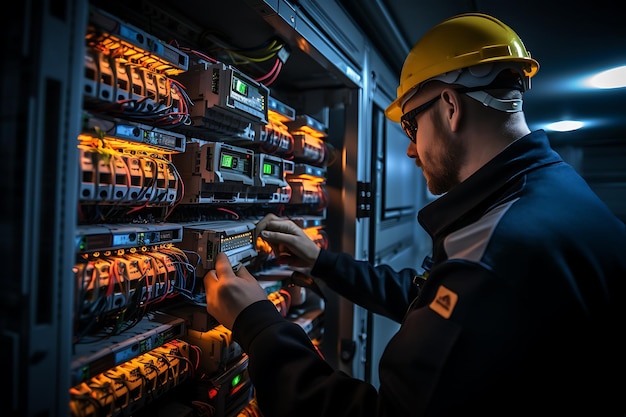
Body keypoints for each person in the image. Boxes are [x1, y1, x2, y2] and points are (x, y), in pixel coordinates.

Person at [203, 12, 626, 416]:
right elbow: (433, 299)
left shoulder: (502, 248)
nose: (410, 149)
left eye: (411, 126)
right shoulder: (548, 194)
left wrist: (256, 324)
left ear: (450, 107)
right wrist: (321, 262)